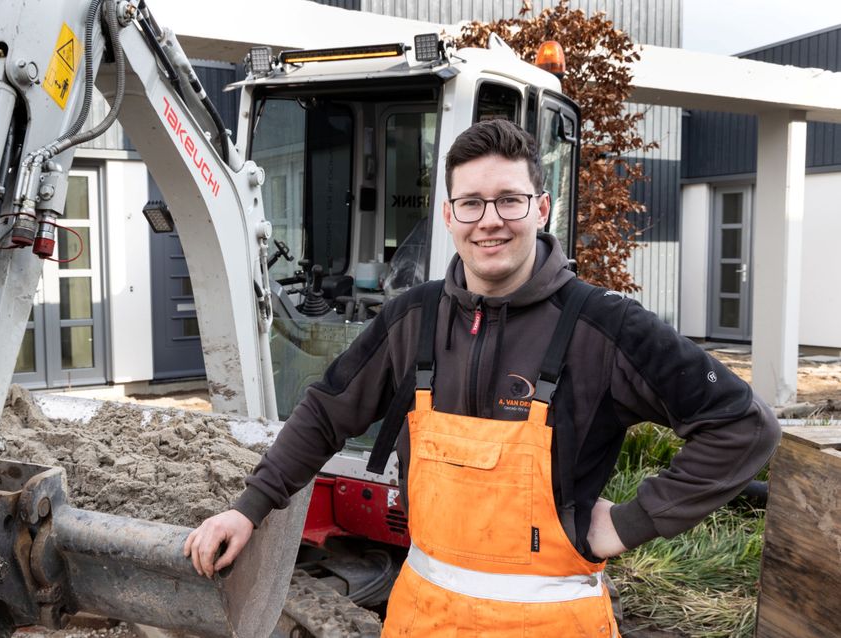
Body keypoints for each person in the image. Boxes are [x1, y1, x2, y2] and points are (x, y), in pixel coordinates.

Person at [184, 118, 780, 636]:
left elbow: (743, 428)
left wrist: (629, 523)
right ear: (448, 215)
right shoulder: (411, 318)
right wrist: (248, 508)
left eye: (509, 200)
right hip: (423, 618)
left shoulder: (606, 327)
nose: (489, 221)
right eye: (471, 203)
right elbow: (323, 413)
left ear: (541, 208)